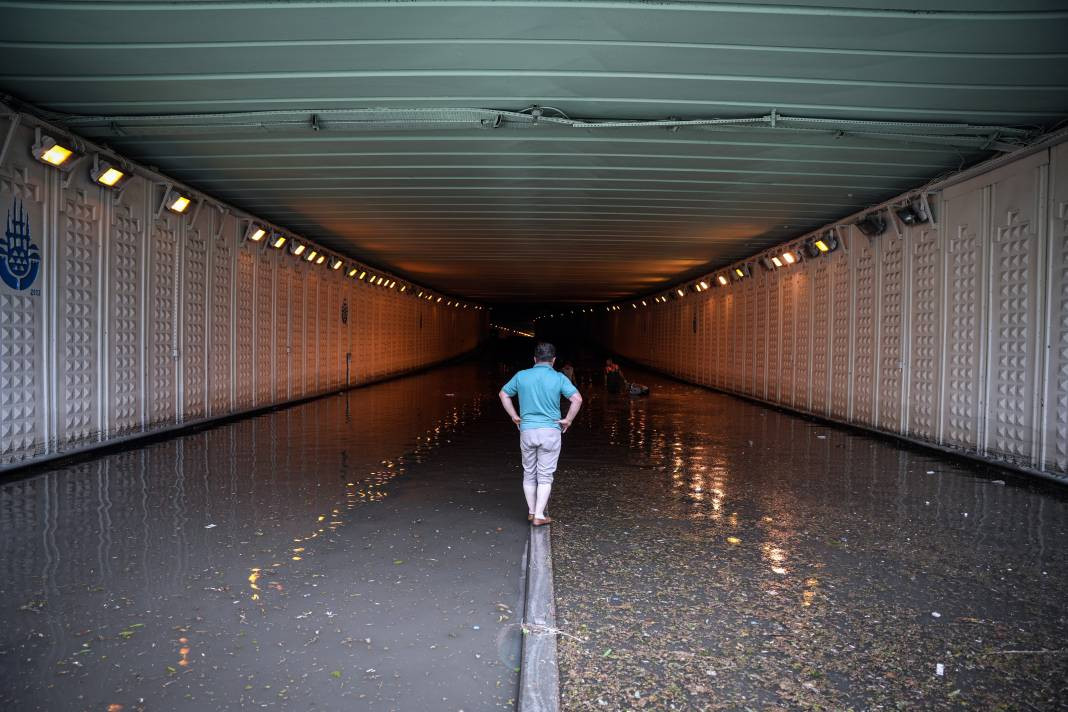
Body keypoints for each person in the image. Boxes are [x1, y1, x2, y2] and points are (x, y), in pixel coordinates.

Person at [499, 342, 583, 526]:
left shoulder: (521, 376)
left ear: (534, 359)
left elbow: (503, 394)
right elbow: (577, 399)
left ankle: (531, 512)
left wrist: (514, 416)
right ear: (553, 360)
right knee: (545, 475)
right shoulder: (559, 377)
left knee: (529, 472)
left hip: (527, 430)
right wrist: (568, 420)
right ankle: (539, 515)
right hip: (550, 431)